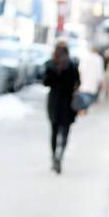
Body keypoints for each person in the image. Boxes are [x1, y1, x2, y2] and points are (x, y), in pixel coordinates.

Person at [43, 41, 80, 174]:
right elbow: (78, 82)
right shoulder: (72, 65)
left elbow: (45, 82)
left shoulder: (50, 64)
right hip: (67, 102)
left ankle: (54, 157)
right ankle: (60, 155)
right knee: (65, 131)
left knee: (54, 131)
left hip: (54, 102)